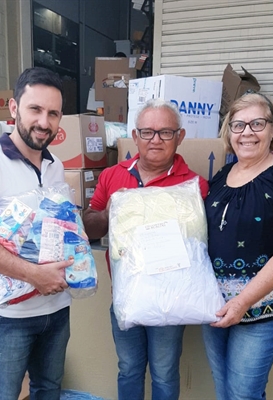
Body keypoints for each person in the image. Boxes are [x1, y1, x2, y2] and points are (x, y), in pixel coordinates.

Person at [83, 98, 209, 400]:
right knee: (128, 367)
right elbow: (88, 228)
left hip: (172, 299)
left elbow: (203, 248)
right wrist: (105, 214)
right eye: (147, 132)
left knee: (165, 372)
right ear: (135, 136)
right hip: (126, 295)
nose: (156, 139)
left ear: (179, 137)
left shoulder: (195, 186)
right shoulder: (112, 176)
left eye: (166, 132)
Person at [0, 67, 74, 399]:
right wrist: (35, 275)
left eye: (53, 113)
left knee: (49, 391)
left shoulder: (56, 166)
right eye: (35, 109)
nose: (44, 122)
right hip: (5, 316)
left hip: (56, 310)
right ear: (14, 108)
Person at [202, 92, 273, 400]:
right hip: (215, 307)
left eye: (257, 123)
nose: (247, 132)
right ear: (228, 133)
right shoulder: (220, 177)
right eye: (238, 125)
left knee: (243, 395)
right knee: (224, 392)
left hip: (263, 309)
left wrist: (242, 302)